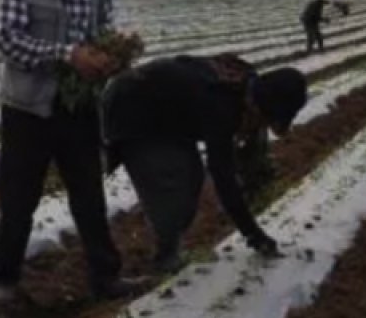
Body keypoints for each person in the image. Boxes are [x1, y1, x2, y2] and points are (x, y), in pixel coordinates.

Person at [0, 0, 134, 301]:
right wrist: (68, 55)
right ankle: (4, 282)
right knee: (19, 200)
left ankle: (105, 277)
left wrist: (112, 56)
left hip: (78, 111)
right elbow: (8, 41)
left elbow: (102, 34)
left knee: (89, 195)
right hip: (27, 110)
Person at [102, 54, 307, 273]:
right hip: (132, 110)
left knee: (193, 178)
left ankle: (170, 245)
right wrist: (254, 235)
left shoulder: (246, 86)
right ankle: (165, 258)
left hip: (169, 113)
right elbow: (223, 177)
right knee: (171, 183)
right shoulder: (222, 105)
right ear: (262, 108)